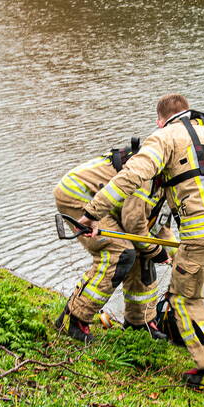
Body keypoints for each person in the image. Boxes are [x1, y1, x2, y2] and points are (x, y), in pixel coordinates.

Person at [77, 95, 204, 392]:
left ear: (160, 121)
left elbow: (131, 176)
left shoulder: (164, 136)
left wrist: (92, 214)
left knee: (184, 299)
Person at [54, 140, 174, 343]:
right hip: (79, 196)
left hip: (107, 204)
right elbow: (134, 223)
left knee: (142, 253)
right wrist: (157, 252)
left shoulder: (170, 181)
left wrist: (176, 255)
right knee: (120, 252)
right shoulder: (148, 173)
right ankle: (73, 319)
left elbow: (158, 227)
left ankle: (139, 322)